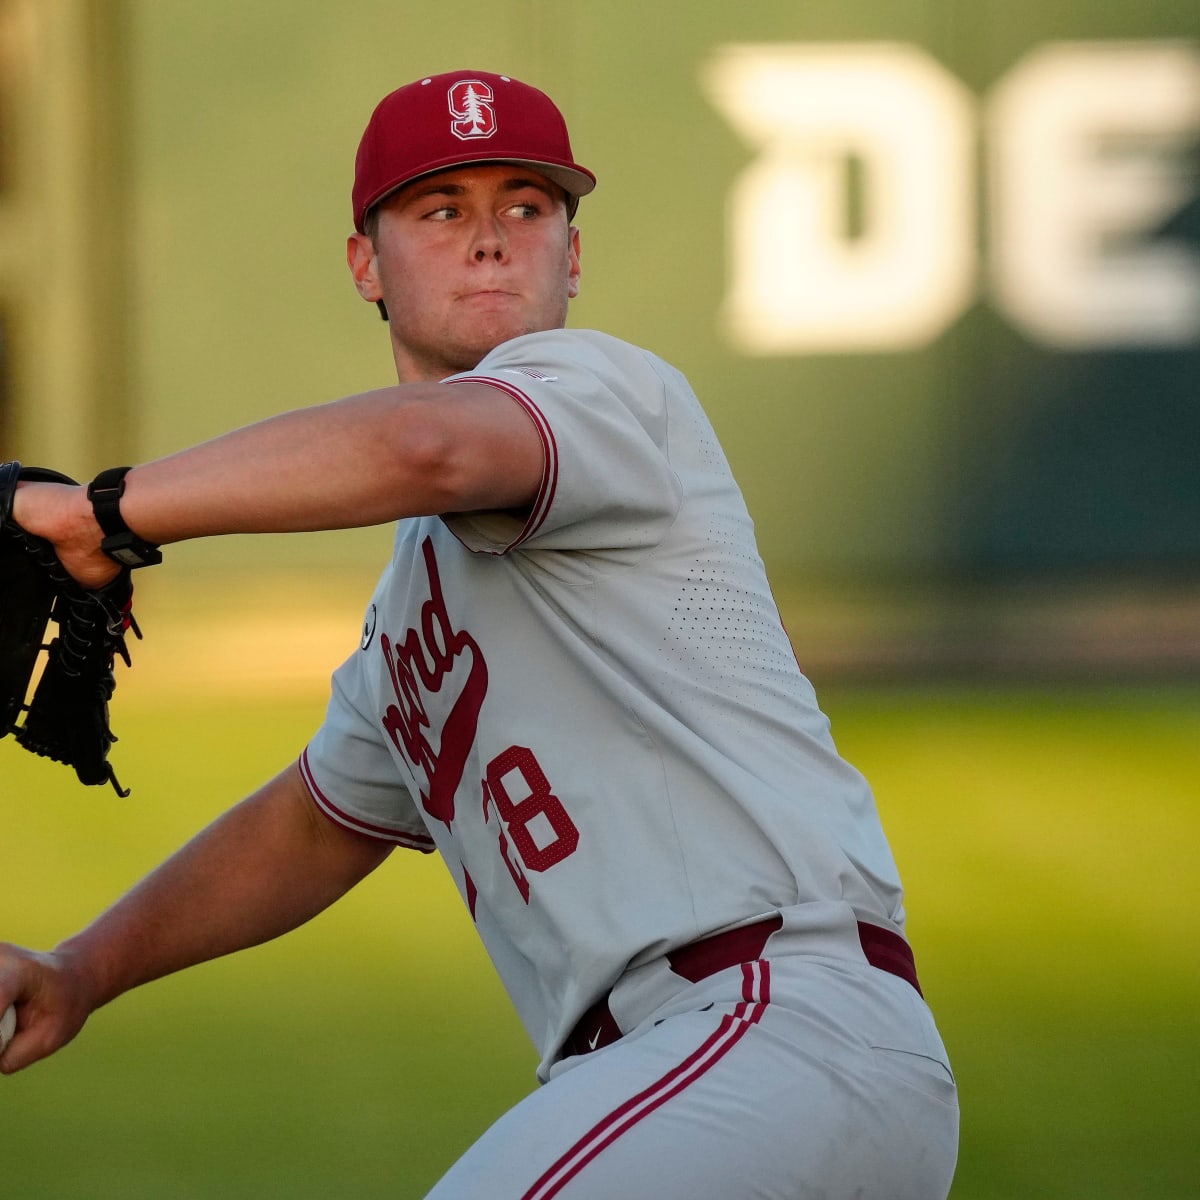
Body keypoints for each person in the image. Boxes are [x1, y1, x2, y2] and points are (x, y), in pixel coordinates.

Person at [0, 70, 958, 1198]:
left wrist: (99, 516)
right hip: (718, 1078)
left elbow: (428, 450)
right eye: (442, 208)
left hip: (761, 1030)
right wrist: (83, 970)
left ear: (573, 253)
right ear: (367, 262)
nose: (492, 239)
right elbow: (314, 823)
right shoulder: (413, 603)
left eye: (527, 205)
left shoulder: (604, 390)